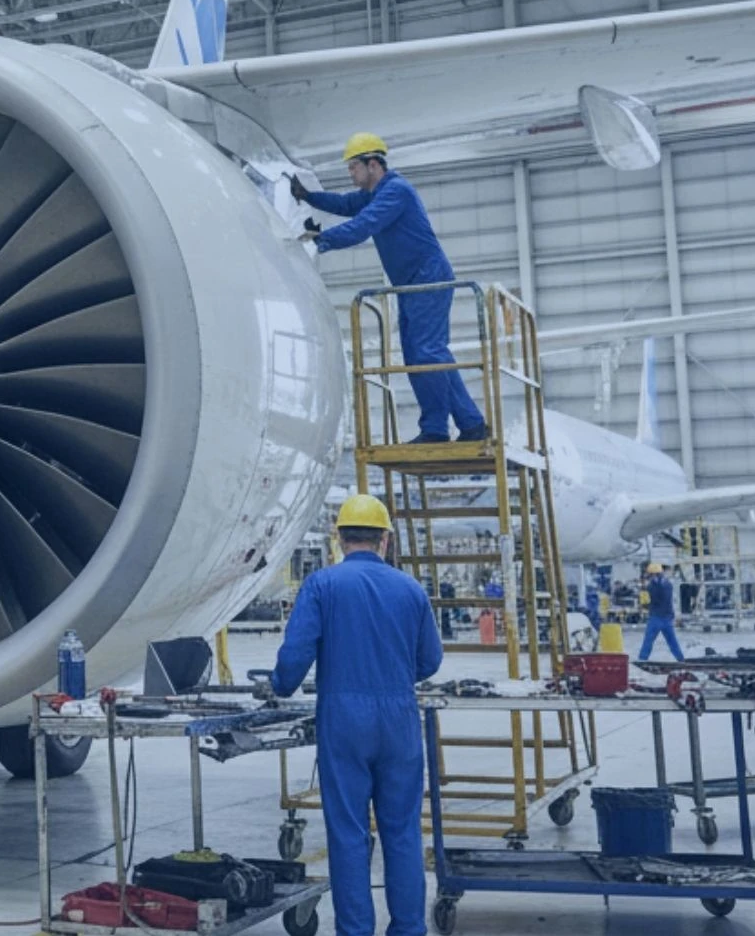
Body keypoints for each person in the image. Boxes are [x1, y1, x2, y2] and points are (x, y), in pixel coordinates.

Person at [270, 495, 443, 936]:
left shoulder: (323, 585)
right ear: (386, 538)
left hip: (344, 720)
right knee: (402, 832)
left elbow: (294, 658)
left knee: (347, 834)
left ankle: (355, 930)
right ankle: (408, 929)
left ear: (339, 538)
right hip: (399, 718)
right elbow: (430, 661)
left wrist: (278, 686)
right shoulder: (411, 589)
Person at [296, 134, 487, 444]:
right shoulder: (374, 192)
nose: (351, 173)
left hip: (428, 277)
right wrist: (307, 195)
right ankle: (468, 425)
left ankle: (438, 429)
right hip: (411, 283)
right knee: (423, 353)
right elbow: (345, 204)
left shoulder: (395, 191)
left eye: (354, 166)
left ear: (374, 164)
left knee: (427, 351)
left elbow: (363, 225)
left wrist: (321, 241)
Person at [638, 561, 683, 661]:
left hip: (656, 617)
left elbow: (655, 600)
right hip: (666, 617)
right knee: (672, 641)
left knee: (649, 640)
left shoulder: (654, 586)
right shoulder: (667, 584)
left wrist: (644, 602)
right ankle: (681, 659)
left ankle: (642, 659)